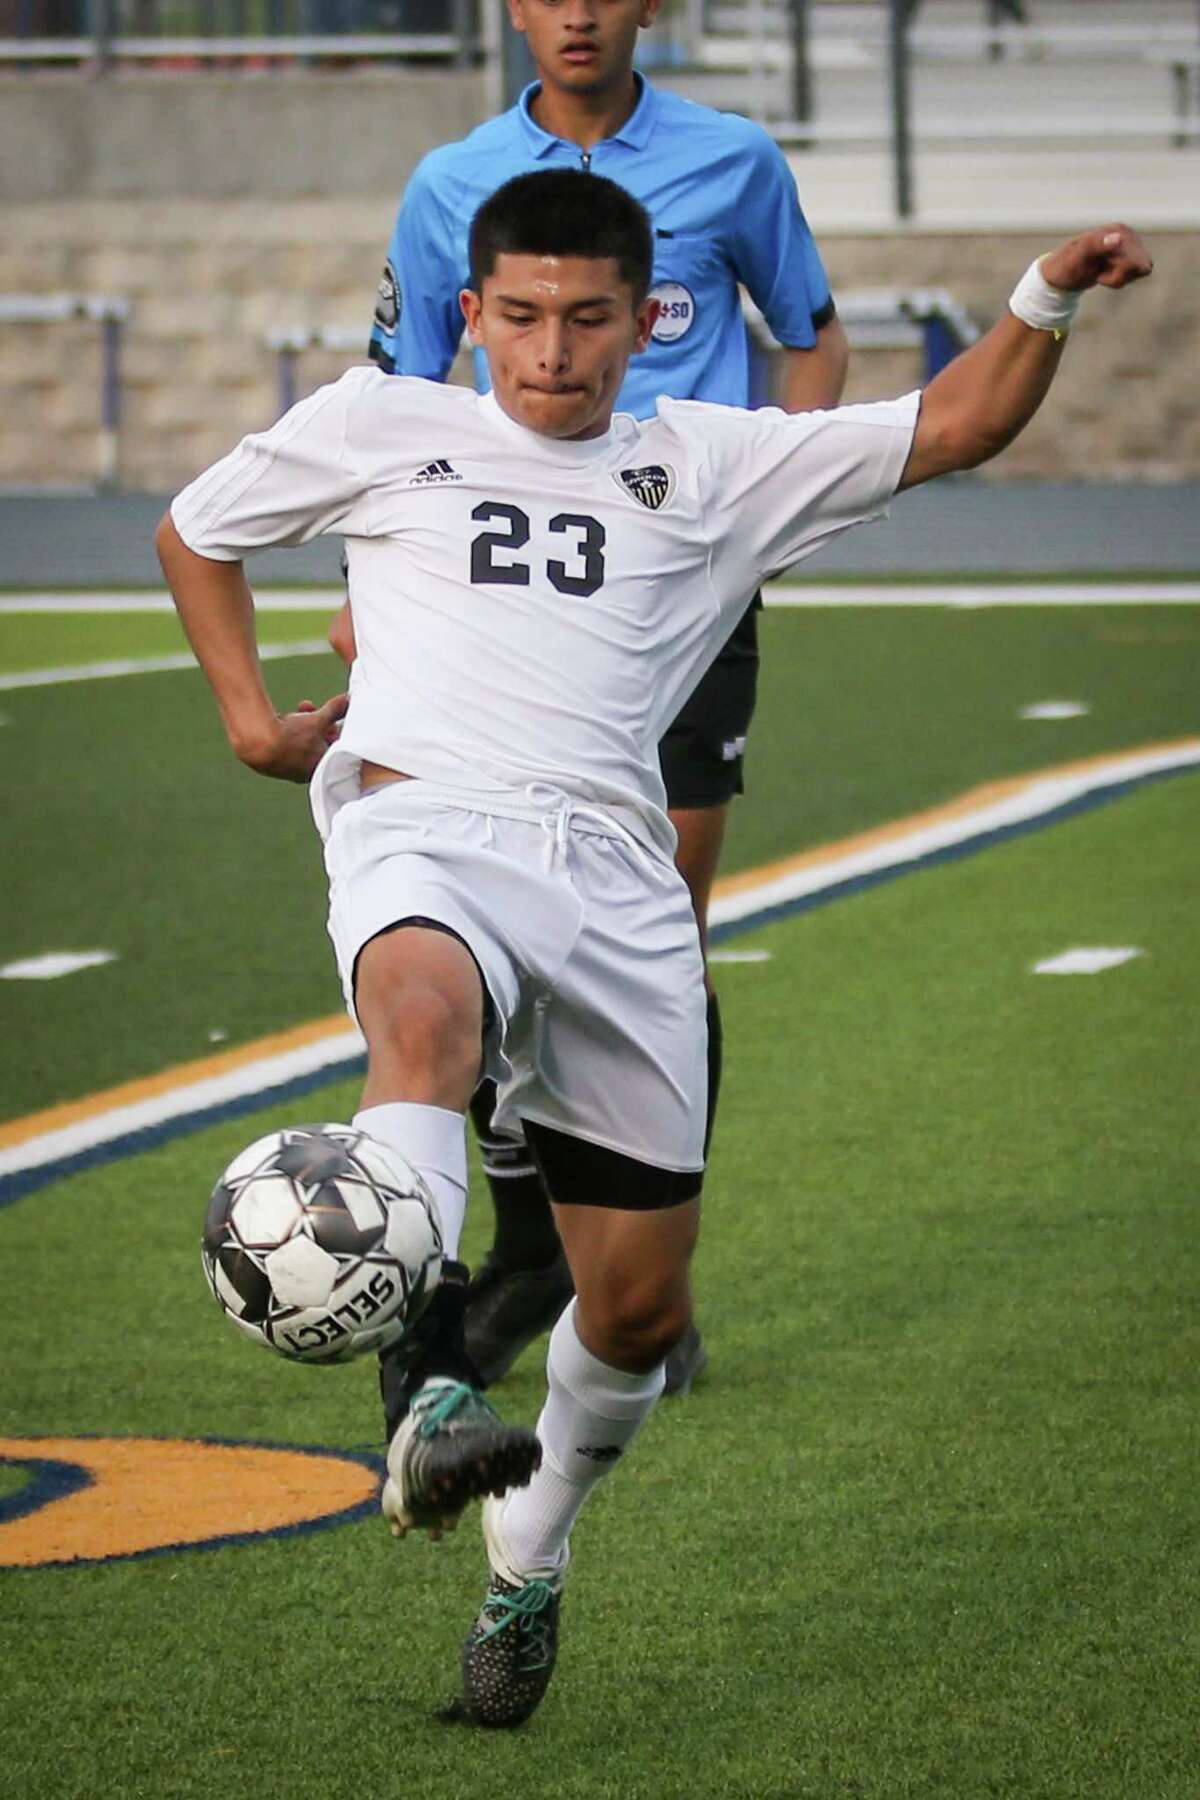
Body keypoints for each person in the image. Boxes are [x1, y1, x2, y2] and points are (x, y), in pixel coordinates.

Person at [157, 168, 1150, 1728]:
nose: (552, 352)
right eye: (524, 316)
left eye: (590, 320)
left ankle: (526, 1555)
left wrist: (1045, 291)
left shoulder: (713, 462)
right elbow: (196, 530)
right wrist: (247, 724)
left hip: (619, 891)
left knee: (634, 1313)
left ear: (647, 322)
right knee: (421, 1019)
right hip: (425, 829)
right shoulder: (375, 423)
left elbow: (953, 426)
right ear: (473, 313)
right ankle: (420, 1389)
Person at [344, 0, 851, 1399]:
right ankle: (523, 1255)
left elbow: (813, 338)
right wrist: (382, 579)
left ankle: (639, 1282)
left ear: (649, 7)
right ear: (512, 6)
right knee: (470, 931)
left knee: (656, 921)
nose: (576, 12)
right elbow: (399, 396)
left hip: (673, 598)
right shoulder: (453, 185)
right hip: (501, 604)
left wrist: (760, 510)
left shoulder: (736, 160)